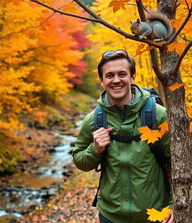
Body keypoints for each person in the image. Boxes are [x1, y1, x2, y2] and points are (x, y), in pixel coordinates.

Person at [72, 50, 173, 223]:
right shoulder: (94, 119)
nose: (116, 80)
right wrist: (95, 149)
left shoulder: (158, 115)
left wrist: (174, 206)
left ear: (132, 77)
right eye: (109, 75)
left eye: (122, 74)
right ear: (102, 81)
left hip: (155, 216)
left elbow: (180, 163)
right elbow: (80, 160)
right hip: (110, 216)